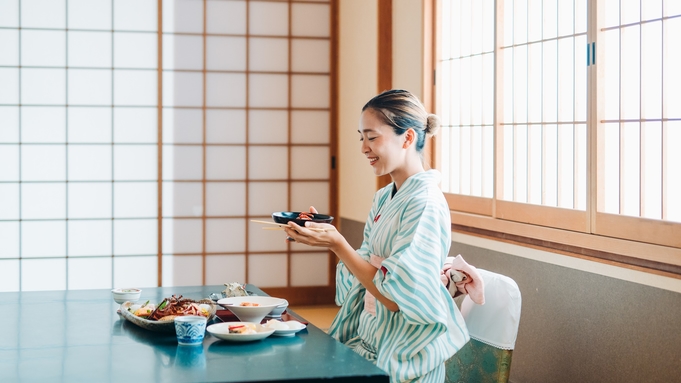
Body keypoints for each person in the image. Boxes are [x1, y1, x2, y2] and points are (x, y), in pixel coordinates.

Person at [283, 89, 469, 382]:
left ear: (407, 138)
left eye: (372, 137)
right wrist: (329, 240)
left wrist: (338, 244)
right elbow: (366, 271)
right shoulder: (384, 198)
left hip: (404, 356)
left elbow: (398, 298)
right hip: (370, 339)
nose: (363, 148)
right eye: (361, 137)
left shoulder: (425, 203)